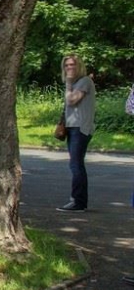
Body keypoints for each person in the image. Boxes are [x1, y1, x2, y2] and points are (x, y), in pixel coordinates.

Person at [57, 55, 95, 212]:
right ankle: (78, 200)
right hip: (72, 127)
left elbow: (72, 100)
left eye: (73, 65)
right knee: (75, 163)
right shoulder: (76, 83)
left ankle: (78, 202)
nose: (69, 68)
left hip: (81, 128)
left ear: (79, 66)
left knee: (76, 164)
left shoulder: (84, 81)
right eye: (66, 65)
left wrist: (68, 83)